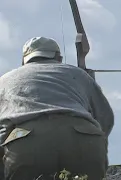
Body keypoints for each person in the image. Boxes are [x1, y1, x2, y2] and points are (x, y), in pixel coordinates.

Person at [0, 37, 114, 180]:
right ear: (58, 57)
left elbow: (2, 127)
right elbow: (105, 118)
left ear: (24, 60)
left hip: (28, 143)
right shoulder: (79, 75)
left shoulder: (6, 79)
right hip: (86, 140)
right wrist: (94, 141)